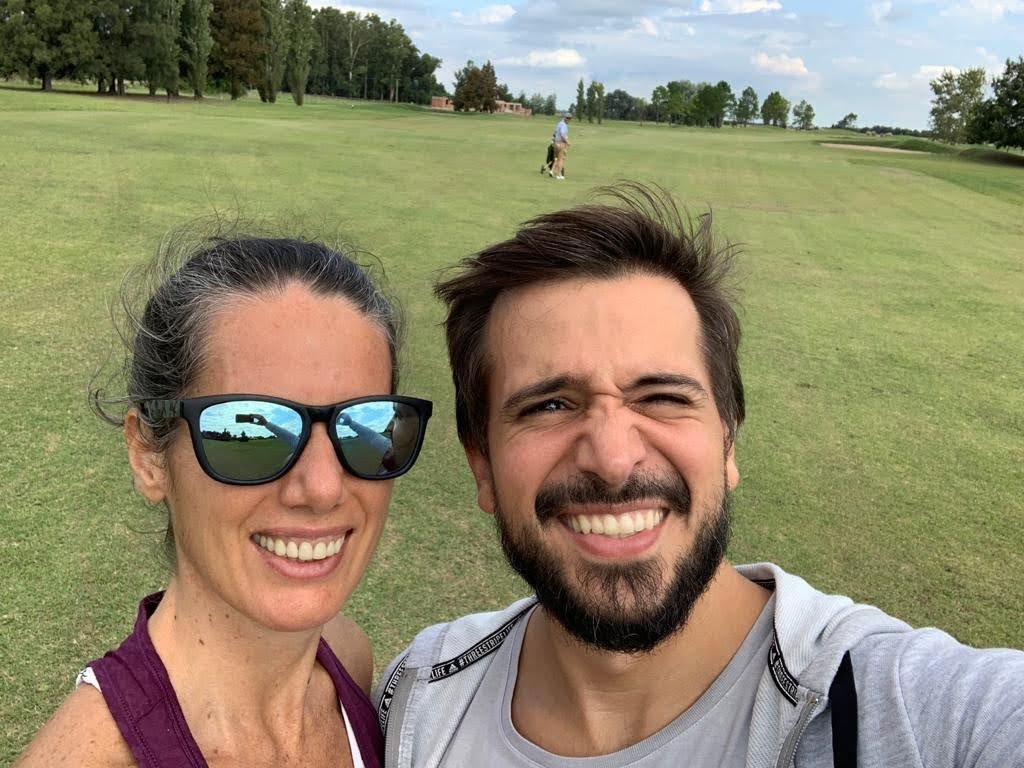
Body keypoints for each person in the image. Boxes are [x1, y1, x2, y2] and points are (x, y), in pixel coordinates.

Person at [374, 183, 1024, 767]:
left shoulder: (906, 706)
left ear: (728, 439)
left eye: (661, 396)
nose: (613, 459)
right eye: (549, 406)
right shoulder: (419, 699)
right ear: (481, 464)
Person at [16, 235, 433, 768]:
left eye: (367, 425)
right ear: (150, 457)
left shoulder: (347, 657)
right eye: (249, 429)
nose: (324, 488)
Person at [549, 113, 571, 180]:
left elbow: (555, 133)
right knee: (561, 160)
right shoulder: (564, 125)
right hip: (561, 143)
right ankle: (559, 175)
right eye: (568, 118)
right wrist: (567, 142)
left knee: (556, 159)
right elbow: (562, 135)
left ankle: (553, 171)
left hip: (556, 143)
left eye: (569, 118)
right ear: (565, 118)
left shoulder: (559, 123)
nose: (569, 119)